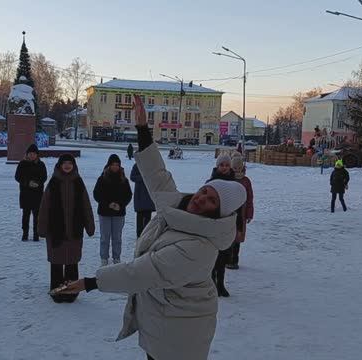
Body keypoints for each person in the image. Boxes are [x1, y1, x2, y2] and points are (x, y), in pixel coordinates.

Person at [58, 94, 247, 360]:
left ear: (217, 213)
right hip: (164, 322)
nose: (201, 198)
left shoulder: (199, 247)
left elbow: (141, 273)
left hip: (180, 333)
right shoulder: (179, 211)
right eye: (205, 191)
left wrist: (90, 282)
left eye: (211, 201)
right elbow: (157, 176)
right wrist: (143, 129)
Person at [37, 154, 95, 303]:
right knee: (56, 263)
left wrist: (89, 225)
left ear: (74, 165)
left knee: (71, 263)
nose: (67, 166)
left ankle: (71, 291)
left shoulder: (78, 182)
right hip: (55, 231)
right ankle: (57, 292)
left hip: (74, 231)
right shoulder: (53, 182)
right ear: (60, 165)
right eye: (65, 163)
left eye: (70, 163)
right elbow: (44, 207)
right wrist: (42, 228)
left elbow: (86, 206)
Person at [205, 153, 244, 297]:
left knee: (223, 257)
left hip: (228, 225)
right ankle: (211, 283)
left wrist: (239, 227)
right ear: (217, 166)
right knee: (211, 257)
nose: (224, 167)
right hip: (213, 225)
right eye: (221, 165)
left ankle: (220, 284)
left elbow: (239, 207)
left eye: (227, 165)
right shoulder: (210, 182)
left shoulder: (235, 185)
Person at [93, 154, 133, 266]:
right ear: (109, 165)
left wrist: (121, 205)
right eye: (113, 164)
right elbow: (97, 194)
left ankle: (116, 258)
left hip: (119, 213)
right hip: (104, 212)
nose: (115, 167)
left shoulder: (124, 180)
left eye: (117, 165)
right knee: (105, 237)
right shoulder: (102, 179)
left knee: (117, 238)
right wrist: (108, 204)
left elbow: (128, 195)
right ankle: (104, 258)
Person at [14, 144, 48, 241]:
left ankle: (36, 235)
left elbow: (44, 177)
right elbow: (17, 177)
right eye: (30, 153)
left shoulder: (41, 165)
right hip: (25, 193)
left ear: (37, 155)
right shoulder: (22, 164)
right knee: (25, 215)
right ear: (27, 154)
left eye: (34, 154)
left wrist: (37, 183)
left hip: (37, 194)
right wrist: (28, 183)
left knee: (37, 216)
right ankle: (25, 234)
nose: (32, 155)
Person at [227, 156, 254, 270]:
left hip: (241, 212)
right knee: (227, 236)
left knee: (237, 237)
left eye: (239, 167)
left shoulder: (246, 181)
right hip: (228, 211)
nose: (237, 169)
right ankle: (225, 259)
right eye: (234, 167)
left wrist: (249, 214)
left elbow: (249, 198)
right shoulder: (228, 178)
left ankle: (234, 260)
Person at [130, 162, 155, 237]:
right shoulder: (137, 165)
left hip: (148, 196)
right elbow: (132, 177)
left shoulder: (152, 165)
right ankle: (139, 237)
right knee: (140, 220)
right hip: (140, 196)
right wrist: (143, 177)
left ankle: (145, 237)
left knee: (147, 220)